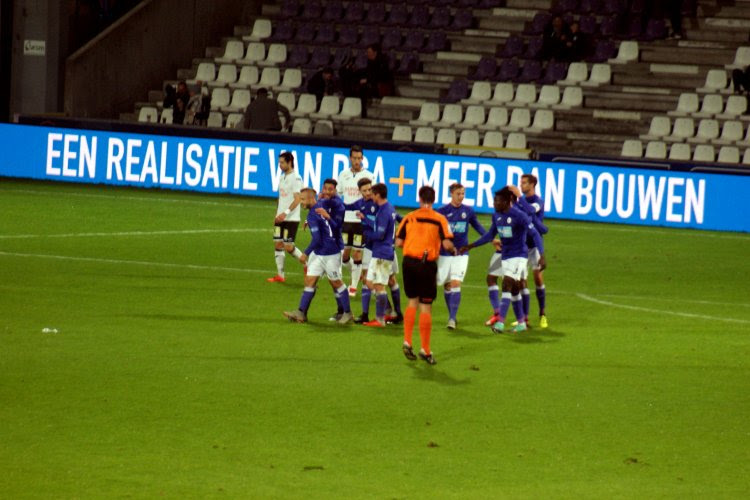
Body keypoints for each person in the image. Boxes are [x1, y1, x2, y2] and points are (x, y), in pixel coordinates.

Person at [461, 187, 546, 334]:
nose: (494, 203)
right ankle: (521, 323)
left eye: (497, 201)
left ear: (507, 201)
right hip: (505, 256)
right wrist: (471, 245)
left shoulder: (519, 215)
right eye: (494, 200)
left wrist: (542, 255)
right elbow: (490, 235)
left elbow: (535, 234)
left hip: (519, 255)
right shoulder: (497, 216)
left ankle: (500, 322)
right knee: (513, 289)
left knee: (506, 283)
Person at [395, 186, 455, 365]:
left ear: (419, 199)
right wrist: (453, 249)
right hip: (426, 264)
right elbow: (446, 245)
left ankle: (407, 340)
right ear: (434, 200)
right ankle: (425, 350)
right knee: (426, 306)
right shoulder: (440, 219)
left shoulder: (409, 217)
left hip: (409, 263)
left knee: (412, 301)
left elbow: (398, 242)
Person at [283, 188, 353, 324]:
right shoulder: (320, 205)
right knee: (310, 281)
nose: (301, 202)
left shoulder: (313, 215)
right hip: (320, 252)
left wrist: (305, 253)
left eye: (303, 199)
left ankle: (347, 312)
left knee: (336, 282)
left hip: (330, 253)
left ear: (310, 199)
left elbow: (317, 239)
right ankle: (301, 313)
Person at [436, 183, 486, 330]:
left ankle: (452, 318)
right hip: (445, 254)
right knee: (446, 285)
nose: (461, 196)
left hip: (461, 253)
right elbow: (436, 231)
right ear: (451, 193)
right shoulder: (442, 211)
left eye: (463, 193)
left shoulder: (468, 211)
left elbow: (478, 226)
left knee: (456, 283)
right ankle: (452, 314)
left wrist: (490, 238)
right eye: (458, 193)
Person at [358, 184, 398, 327]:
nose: (371, 196)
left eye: (373, 194)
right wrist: (365, 219)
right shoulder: (389, 208)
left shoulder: (384, 211)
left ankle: (380, 319)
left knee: (379, 286)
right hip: (380, 252)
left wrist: (366, 234)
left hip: (382, 253)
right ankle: (386, 312)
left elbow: (380, 235)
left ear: (378, 195)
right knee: (369, 282)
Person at [337, 145, 374, 297]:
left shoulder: (369, 176)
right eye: (355, 158)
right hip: (346, 220)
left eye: (360, 158)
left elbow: (372, 198)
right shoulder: (343, 174)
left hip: (361, 222)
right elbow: (339, 195)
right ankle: (356, 272)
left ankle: (353, 287)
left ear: (362, 158)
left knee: (358, 252)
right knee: (345, 255)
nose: (357, 161)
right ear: (350, 158)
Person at [267, 152, 305, 283]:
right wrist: (277, 214)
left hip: (291, 219)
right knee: (278, 244)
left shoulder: (296, 178)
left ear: (289, 162)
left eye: (282, 162)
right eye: (279, 162)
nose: (280, 165)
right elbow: (281, 198)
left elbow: (298, 199)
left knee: (288, 247)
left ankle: (307, 264)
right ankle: (280, 275)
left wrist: (285, 213)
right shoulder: (282, 177)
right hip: (280, 218)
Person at [518, 174, 549, 328]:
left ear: (532, 185)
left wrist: (519, 199)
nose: (521, 186)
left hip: (535, 245)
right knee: (522, 280)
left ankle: (542, 313)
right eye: (521, 183)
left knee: (537, 277)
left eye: (524, 183)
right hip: (523, 245)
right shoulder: (519, 203)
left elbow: (530, 210)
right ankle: (525, 317)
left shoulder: (539, 201)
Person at [357, 43, 393, 118]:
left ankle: (363, 112)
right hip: (372, 84)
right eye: (367, 52)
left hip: (380, 87)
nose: (367, 54)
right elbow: (368, 73)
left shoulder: (382, 63)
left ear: (375, 52)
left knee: (363, 89)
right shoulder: (370, 62)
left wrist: (367, 80)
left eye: (369, 52)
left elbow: (380, 76)